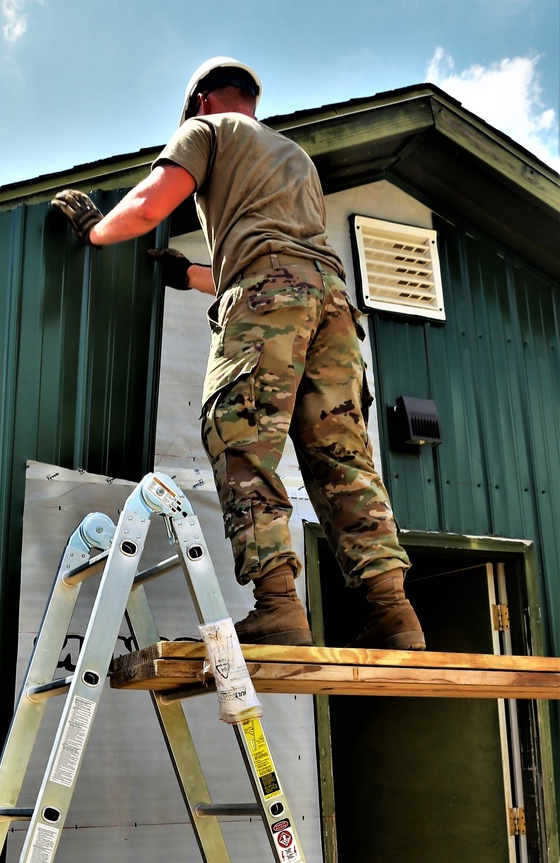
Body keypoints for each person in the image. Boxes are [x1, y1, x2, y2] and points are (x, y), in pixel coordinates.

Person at [52, 57, 425, 651]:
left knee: (241, 439)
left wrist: (95, 231)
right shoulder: (293, 155)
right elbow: (286, 261)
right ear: (253, 98)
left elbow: (153, 205)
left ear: (201, 100)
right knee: (344, 460)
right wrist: (195, 275)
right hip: (333, 306)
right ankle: (395, 615)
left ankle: (278, 606)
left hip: (268, 295)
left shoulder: (206, 131)